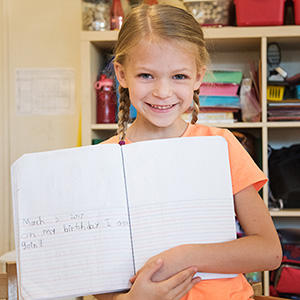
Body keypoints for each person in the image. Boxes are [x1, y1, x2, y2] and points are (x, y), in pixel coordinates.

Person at [95, 4, 282, 300]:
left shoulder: (221, 146)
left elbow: (269, 251)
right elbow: (96, 270)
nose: (162, 91)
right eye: (146, 75)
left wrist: (185, 256)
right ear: (121, 73)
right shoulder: (102, 161)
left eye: (179, 77)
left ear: (197, 78)